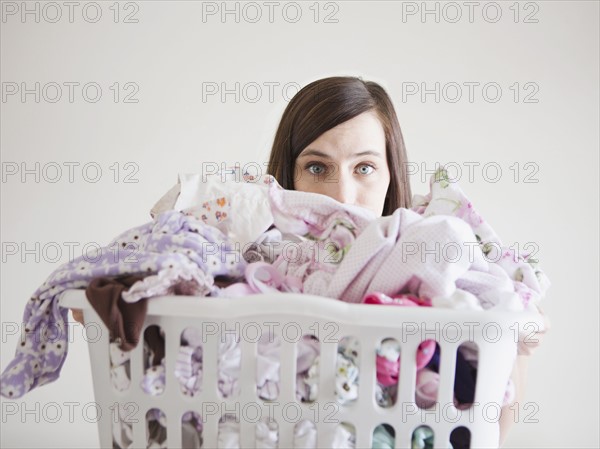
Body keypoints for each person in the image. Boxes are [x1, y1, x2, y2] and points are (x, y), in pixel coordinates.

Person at [73, 75, 549, 446]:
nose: (342, 192)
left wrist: (520, 354)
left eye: (364, 167)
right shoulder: (243, 245)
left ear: (390, 175)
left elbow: (480, 437)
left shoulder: (434, 247)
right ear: (289, 177)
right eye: (317, 167)